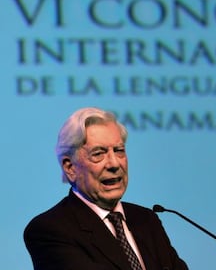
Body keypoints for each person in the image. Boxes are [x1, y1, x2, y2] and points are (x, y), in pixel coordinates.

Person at [24, 107, 188, 270]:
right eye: (98, 153)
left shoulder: (146, 220)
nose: (114, 164)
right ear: (70, 167)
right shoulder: (49, 230)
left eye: (119, 151)